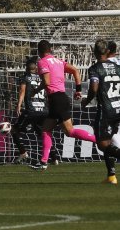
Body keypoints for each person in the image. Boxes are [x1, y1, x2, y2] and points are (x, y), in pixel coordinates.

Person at [31, 40, 96, 170]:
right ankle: (43, 161)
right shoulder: (59, 61)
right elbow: (75, 71)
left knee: (67, 131)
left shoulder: (42, 62)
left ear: (39, 51)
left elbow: (47, 82)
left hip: (56, 99)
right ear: (50, 50)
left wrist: (36, 90)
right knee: (50, 129)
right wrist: (78, 89)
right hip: (62, 98)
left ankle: (100, 140)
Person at [81, 39, 120, 184]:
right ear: (107, 51)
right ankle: (111, 176)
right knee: (108, 143)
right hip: (118, 107)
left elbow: (94, 88)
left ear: (95, 52)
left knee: (102, 144)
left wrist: (87, 100)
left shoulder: (95, 68)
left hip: (106, 110)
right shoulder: (117, 67)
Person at [12, 57, 59, 164]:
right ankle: (54, 158)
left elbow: (22, 91)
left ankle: (23, 153)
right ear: (36, 67)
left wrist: (18, 105)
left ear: (26, 68)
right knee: (45, 134)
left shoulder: (26, 77)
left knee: (14, 130)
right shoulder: (43, 78)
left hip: (31, 111)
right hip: (44, 110)